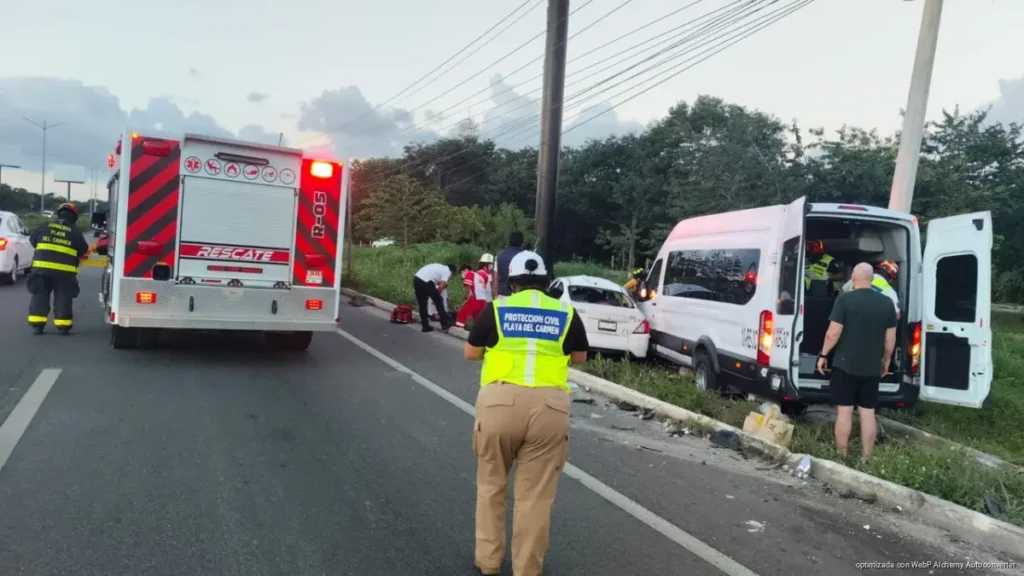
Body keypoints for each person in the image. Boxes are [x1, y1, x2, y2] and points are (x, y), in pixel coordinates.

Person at [464, 250, 589, 576]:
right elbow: (579, 357)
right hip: (549, 408)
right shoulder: (565, 311)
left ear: (512, 281)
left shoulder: (497, 308)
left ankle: (489, 562)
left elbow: (471, 352)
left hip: (499, 404)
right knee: (536, 497)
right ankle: (527, 569)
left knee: (491, 486)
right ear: (546, 280)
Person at [816, 262, 898, 463]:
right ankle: (866, 458)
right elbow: (890, 340)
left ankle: (841, 456)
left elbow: (833, 333)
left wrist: (823, 355)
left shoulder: (845, 300)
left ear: (854, 278)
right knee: (868, 413)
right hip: (871, 368)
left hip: (845, 365)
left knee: (844, 411)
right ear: (872, 279)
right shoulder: (887, 303)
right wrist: (886, 361)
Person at [27, 203, 90, 335]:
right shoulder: (75, 231)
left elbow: (33, 240)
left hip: (41, 269)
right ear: (74, 217)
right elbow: (83, 249)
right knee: (63, 297)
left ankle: (37, 325)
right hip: (65, 272)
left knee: (39, 296)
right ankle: (63, 326)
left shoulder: (44, 226)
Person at [413, 262, 453, 333]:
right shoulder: (447, 271)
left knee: (422, 305)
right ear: (452, 271)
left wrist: (434, 295)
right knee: (439, 301)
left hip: (416, 279)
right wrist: (436, 296)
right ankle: (444, 324)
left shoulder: (437, 266)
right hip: (426, 281)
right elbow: (441, 286)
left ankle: (425, 327)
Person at [492, 231, 525, 298]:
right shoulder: (524, 255)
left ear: (509, 241)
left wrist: (495, 296)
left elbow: (495, 278)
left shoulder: (499, 255)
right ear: (522, 242)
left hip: (502, 295)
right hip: (519, 295)